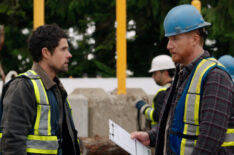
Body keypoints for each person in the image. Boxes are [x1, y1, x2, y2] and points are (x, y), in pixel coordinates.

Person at [131, 4, 234, 155]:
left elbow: (210, 140)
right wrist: (150, 137)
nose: (168, 45)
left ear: (195, 39)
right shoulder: (183, 73)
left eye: (174, 39)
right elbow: (174, 123)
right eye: (168, 39)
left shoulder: (215, 76)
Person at [0, 24, 80, 155]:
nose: (69, 55)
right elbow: (12, 144)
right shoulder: (23, 87)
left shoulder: (57, 89)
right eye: (63, 49)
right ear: (46, 53)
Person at [135, 55, 175, 129]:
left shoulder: (163, 92)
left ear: (165, 73)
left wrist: (143, 107)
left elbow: (157, 116)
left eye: (155, 73)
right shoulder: (176, 88)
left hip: (159, 134)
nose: (153, 76)